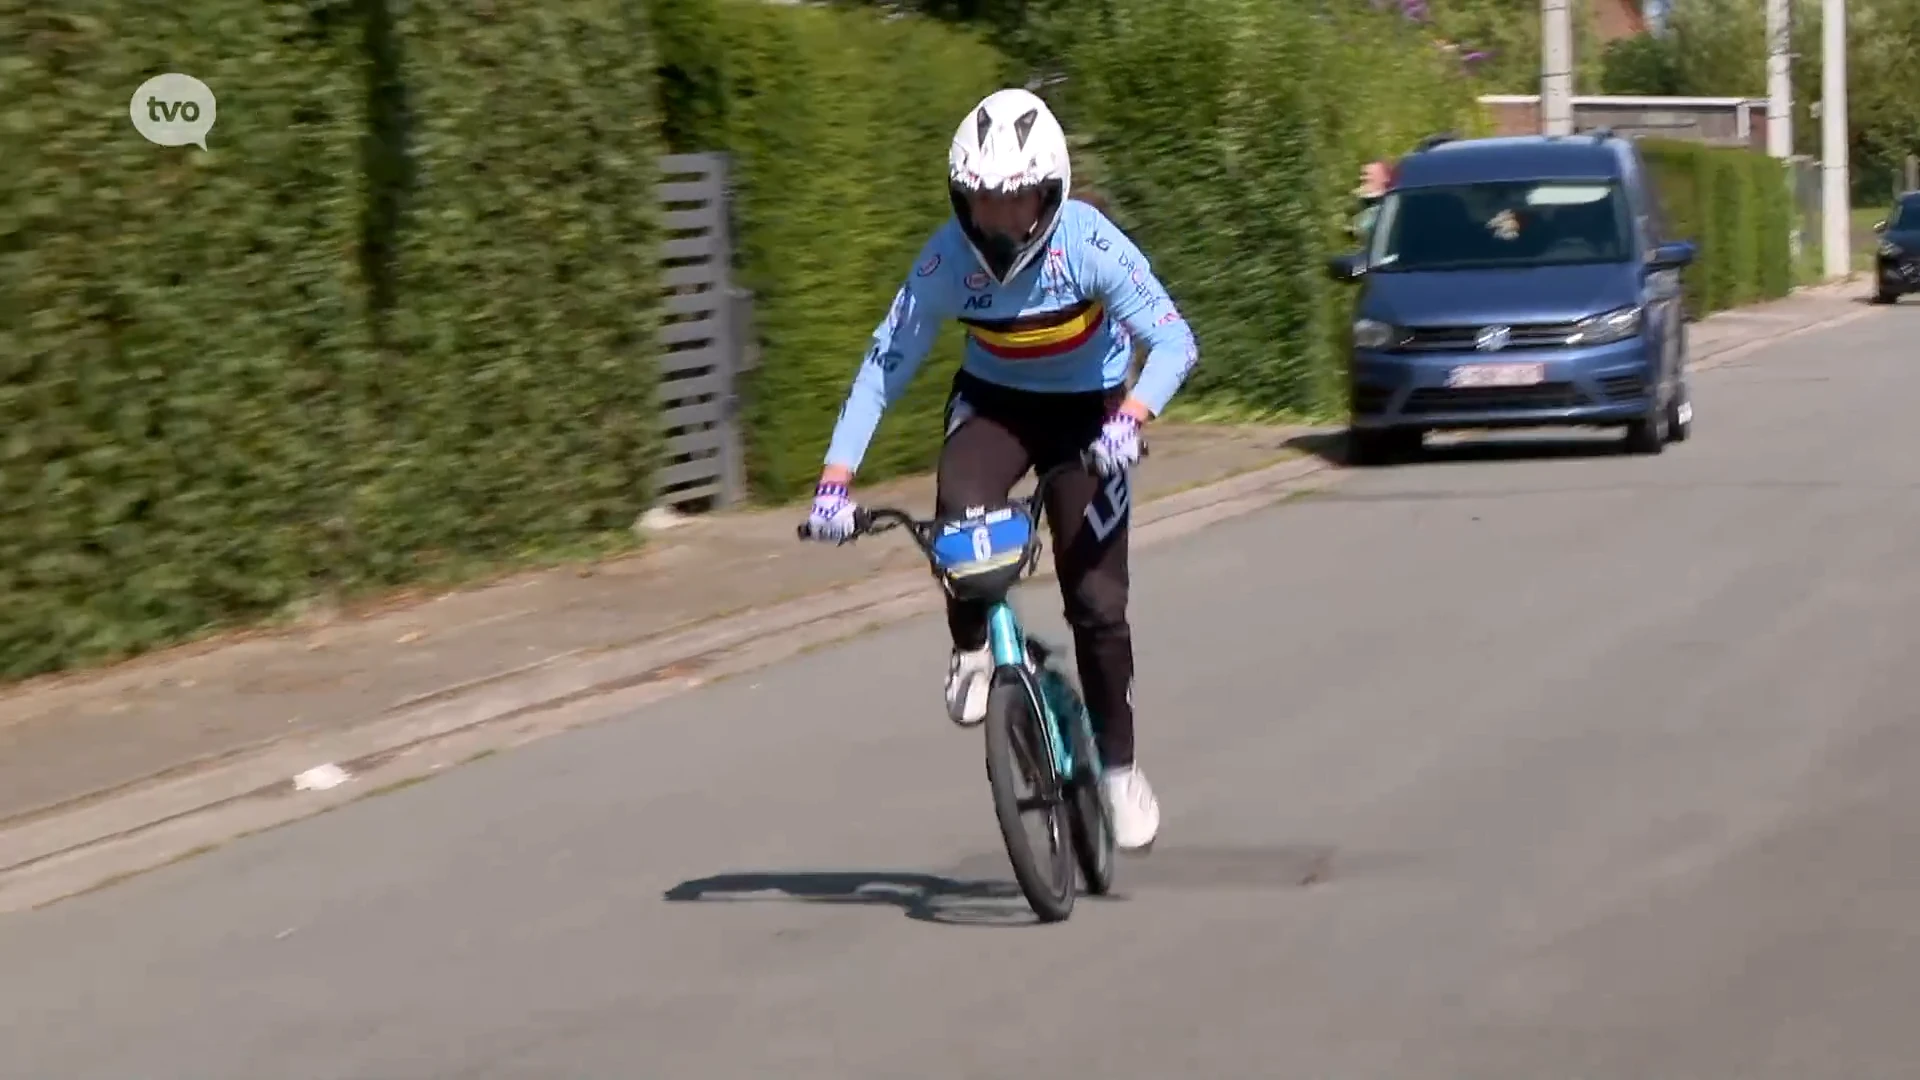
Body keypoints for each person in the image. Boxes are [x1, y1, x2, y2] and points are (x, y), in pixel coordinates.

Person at [797, 87, 1200, 851]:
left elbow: (1176, 342)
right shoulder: (948, 258)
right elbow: (886, 365)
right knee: (958, 511)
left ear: (1050, 193)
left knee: (1097, 602)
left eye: (1016, 202)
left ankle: (1118, 771)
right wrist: (835, 478)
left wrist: (1131, 419)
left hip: (1093, 412)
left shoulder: (1090, 243)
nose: (999, 220)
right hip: (997, 407)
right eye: (982, 201)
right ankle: (973, 646)